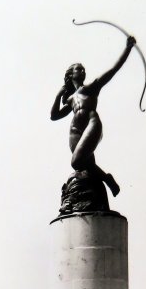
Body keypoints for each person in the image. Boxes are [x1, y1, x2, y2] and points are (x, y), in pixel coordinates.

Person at [50, 36, 136, 196]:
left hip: (92, 124)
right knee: (85, 166)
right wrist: (58, 95)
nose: (83, 71)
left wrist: (128, 48)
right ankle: (100, 187)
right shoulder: (70, 98)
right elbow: (54, 116)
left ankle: (107, 179)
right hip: (76, 132)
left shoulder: (90, 88)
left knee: (76, 162)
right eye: (78, 69)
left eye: (83, 69)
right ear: (71, 75)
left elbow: (112, 71)